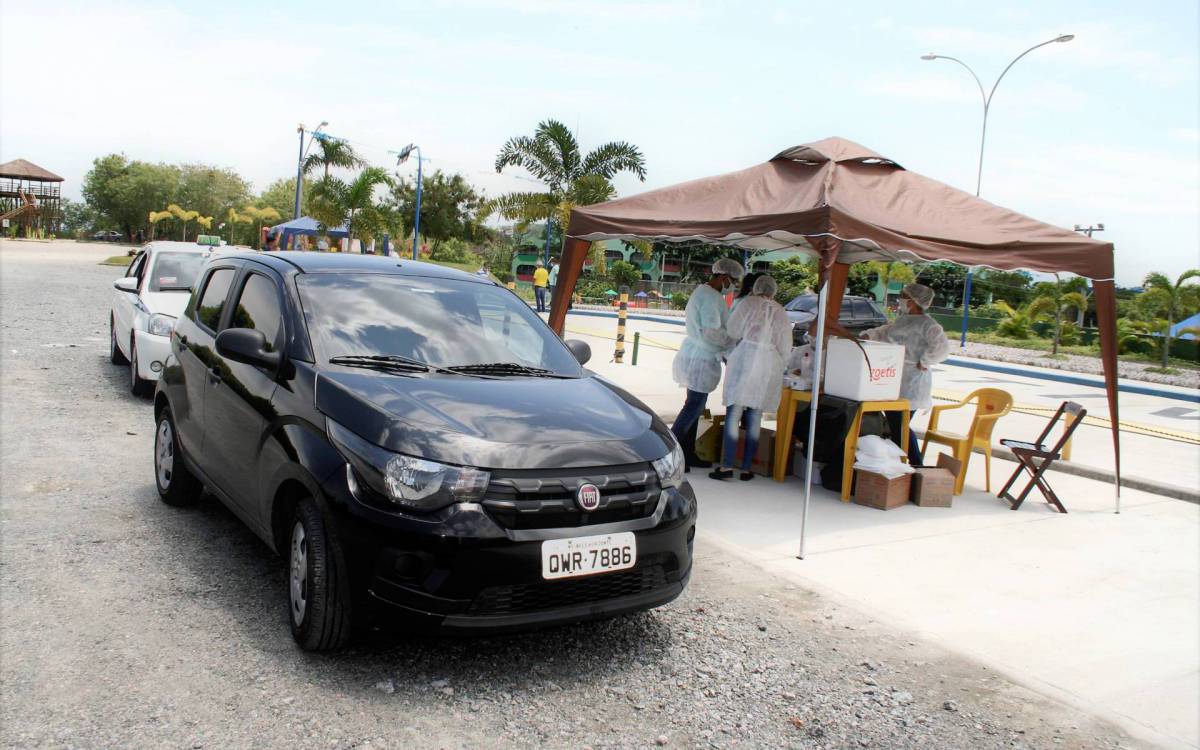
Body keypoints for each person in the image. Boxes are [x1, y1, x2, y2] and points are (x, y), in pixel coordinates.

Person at [833, 282, 949, 465]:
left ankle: (916, 464)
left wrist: (924, 360)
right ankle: (897, 463)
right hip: (893, 378)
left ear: (912, 301)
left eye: (903, 296)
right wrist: (868, 335)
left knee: (900, 425)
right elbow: (886, 332)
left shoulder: (929, 325)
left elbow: (942, 348)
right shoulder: (904, 320)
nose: (900, 300)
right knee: (896, 424)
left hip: (912, 381)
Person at [710, 275, 791, 481]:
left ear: (755, 288)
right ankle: (747, 468)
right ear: (773, 290)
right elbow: (785, 346)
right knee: (755, 416)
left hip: (744, 359)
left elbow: (733, 330)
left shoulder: (747, 303)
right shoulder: (780, 311)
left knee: (734, 413)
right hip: (767, 365)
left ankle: (727, 466)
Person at [669, 258, 745, 469]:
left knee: (695, 406)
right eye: (733, 282)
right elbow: (712, 332)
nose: (733, 287)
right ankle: (671, 453)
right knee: (693, 407)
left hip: (697, 356)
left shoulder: (705, 293)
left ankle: (687, 452)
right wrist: (733, 340)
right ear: (723, 277)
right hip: (700, 359)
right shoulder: (711, 297)